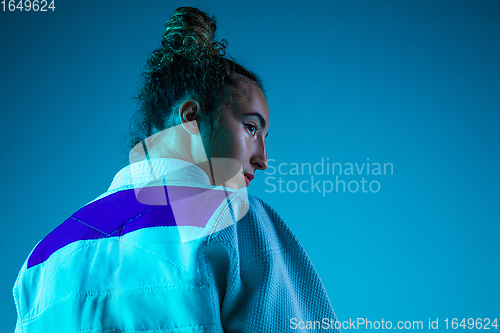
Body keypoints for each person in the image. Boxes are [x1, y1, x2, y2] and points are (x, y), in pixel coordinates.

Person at [12, 6, 341, 332]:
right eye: (251, 128)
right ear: (191, 117)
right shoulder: (233, 217)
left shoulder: (40, 259)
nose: (263, 159)